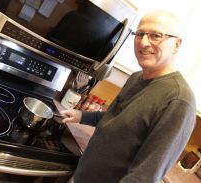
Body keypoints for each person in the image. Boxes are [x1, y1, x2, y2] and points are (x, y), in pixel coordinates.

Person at [61, 9, 196, 183]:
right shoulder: (136, 77)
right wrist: (82, 116)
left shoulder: (178, 101)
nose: (144, 42)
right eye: (140, 34)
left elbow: (144, 176)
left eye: (156, 35)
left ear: (177, 44)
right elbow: (114, 118)